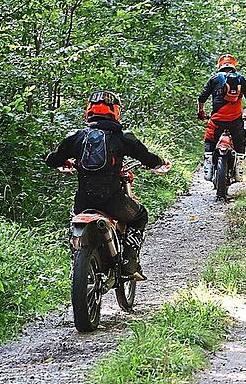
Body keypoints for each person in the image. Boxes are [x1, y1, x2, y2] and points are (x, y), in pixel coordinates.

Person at [45, 91, 169, 281]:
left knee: (73, 219)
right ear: (115, 111)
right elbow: (148, 158)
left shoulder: (76, 137)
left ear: (88, 111)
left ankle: (76, 261)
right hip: (113, 202)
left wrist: (66, 162)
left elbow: (52, 160)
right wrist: (159, 162)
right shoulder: (123, 137)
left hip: (83, 202)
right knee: (140, 216)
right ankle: (129, 262)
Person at [196, 54, 246, 181]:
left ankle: (208, 162)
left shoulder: (214, 79)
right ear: (234, 66)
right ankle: (239, 165)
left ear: (220, 66)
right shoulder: (240, 79)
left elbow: (202, 98)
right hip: (235, 120)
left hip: (217, 120)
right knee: (240, 139)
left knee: (210, 139)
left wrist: (201, 112)